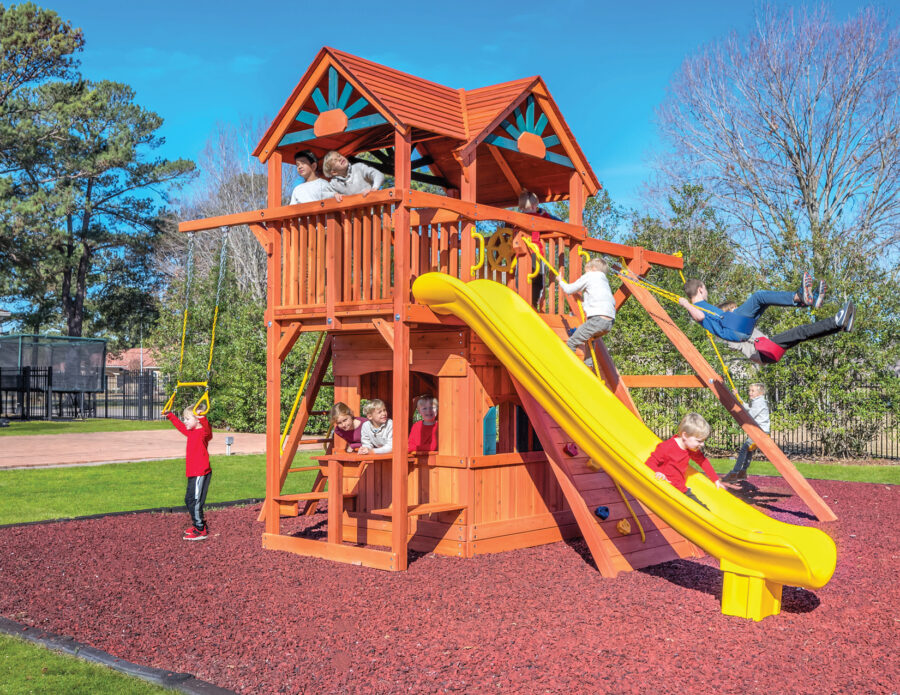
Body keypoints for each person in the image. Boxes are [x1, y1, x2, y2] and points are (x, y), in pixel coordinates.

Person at [680, 277, 854, 364]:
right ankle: (802, 298)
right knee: (760, 296)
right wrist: (686, 304)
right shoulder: (699, 308)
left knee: (800, 332)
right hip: (745, 335)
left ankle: (834, 321)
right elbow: (700, 316)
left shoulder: (711, 312)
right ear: (701, 289)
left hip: (748, 335)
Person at [644, 412, 724, 509]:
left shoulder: (690, 449)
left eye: (703, 441)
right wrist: (658, 472)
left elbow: (703, 461)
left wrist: (715, 479)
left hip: (681, 490)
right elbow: (649, 462)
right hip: (666, 488)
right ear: (685, 435)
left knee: (703, 509)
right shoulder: (667, 447)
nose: (702, 444)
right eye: (699, 441)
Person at [166, 407, 213, 541]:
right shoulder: (191, 432)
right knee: (189, 500)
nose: (185, 422)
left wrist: (202, 417)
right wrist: (170, 415)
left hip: (200, 472)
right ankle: (197, 524)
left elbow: (208, 429)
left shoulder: (203, 433)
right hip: (192, 472)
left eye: (187, 419)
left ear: (197, 420)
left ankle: (200, 529)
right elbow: (180, 426)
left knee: (195, 502)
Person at [558, 258, 616, 366]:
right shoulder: (604, 281)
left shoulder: (590, 276)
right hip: (609, 322)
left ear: (592, 268)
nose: (585, 273)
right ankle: (588, 366)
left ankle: (568, 366)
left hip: (597, 319)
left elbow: (569, 289)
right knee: (590, 340)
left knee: (571, 342)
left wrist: (561, 281)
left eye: (586, 271)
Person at [518, 189, 561, 310]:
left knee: (521, 278)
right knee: (537, 280)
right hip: (536, 253)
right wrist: (544, 213)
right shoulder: (538, 217)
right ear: (534, 206)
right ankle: (533, 303)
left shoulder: (517, 218)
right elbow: (551, 225)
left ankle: (521, 299)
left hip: (520, 254)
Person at [722, 383, 770, 482]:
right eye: (749, 390)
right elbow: (748, 408)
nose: (750, 393)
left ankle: (735, 473)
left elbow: (749, 414)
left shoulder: (759, 402)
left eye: (753, 391)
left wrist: (735, 411)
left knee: (744, 449)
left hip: (759, 432)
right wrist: (737, 396)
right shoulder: (758, 401)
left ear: (760, 393)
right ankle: (742, 472)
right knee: (748, 449)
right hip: (761, 431)